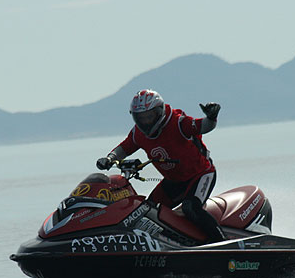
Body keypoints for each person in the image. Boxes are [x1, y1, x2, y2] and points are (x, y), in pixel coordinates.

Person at [96, 89, 225, 243]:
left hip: (200, 174)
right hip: (174, 181)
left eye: (150, 116)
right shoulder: (138, 133)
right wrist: (109, 158)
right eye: (141, 118)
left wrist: (212, 116)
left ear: (160, 111)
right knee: (147, 211)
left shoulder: (177, 122)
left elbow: (203, 126)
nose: (146, 122)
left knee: (190, 207)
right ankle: (165, 244)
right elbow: (124, 148)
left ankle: (222, 243)